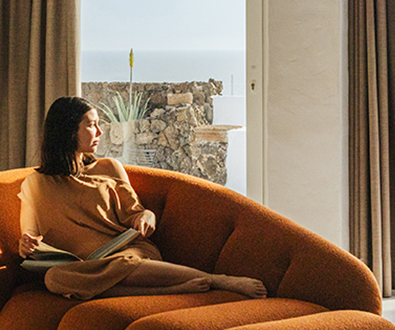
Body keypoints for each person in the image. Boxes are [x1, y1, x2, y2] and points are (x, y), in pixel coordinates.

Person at [19, 96, 267, 301]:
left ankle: (219, 280)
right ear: (67, 129)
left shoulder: (109, 167)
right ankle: (169, 290)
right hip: (84, 267)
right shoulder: (36, 184)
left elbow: (136, 212)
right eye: (91, 124)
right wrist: (27, 245)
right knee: (54, 279)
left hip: (128, 252)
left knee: (123, 263)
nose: (100, 131)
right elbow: (30, 240)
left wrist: (147, 215)